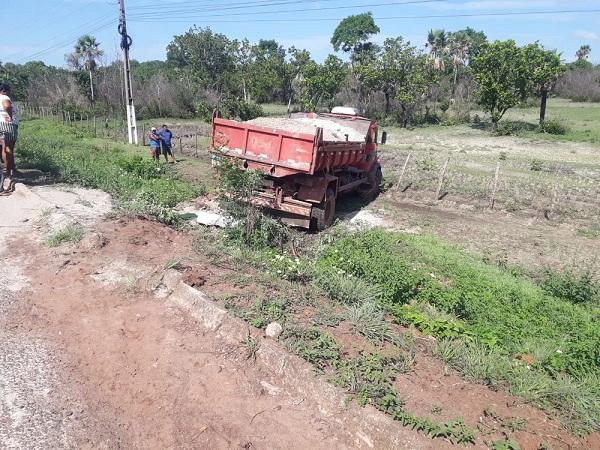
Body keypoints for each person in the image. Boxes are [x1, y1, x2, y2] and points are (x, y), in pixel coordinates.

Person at [0, 83, 19, 178]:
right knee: (8, 148)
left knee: (4, 147)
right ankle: (9, 171)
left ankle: (10, 168)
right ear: (5, 91)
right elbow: (7, 106)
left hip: (1, 124)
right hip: (7, 125)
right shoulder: (4, 98)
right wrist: (10, 116)